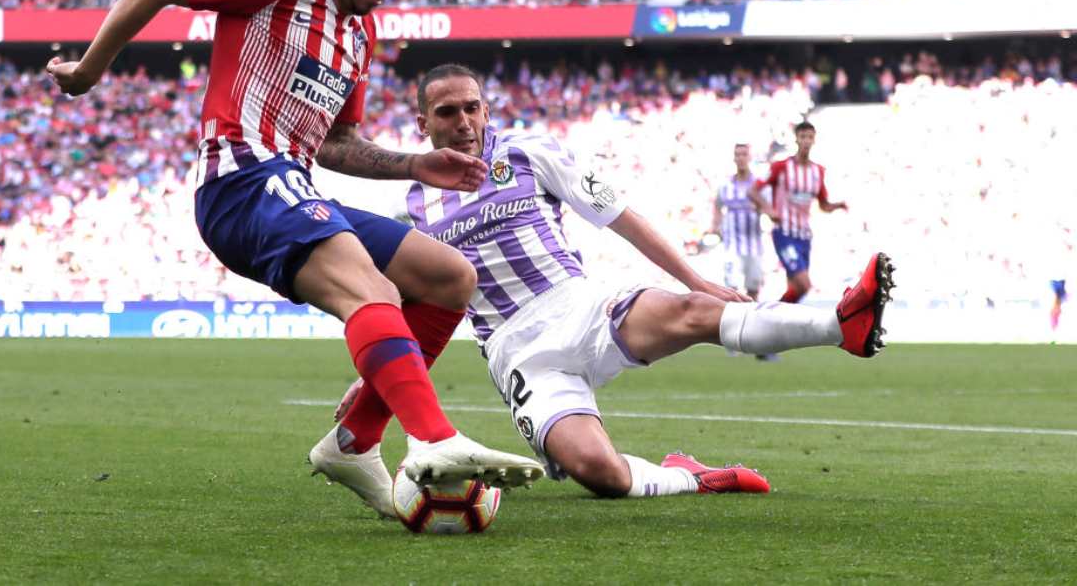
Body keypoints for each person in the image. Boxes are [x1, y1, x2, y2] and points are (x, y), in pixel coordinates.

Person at [46, 0, 544, 520]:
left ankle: (354, 442)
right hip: (240, 181)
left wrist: (416, 165)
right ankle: (434, 438)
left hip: (296, 183)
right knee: (372, 293)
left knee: (449, 277)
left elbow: (335, 143)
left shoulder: (358, 35)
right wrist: (90, 71)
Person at [328, 64, 894, 506]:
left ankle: (839, 322)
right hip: (518, 353)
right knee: (598, 474)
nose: (464, 122)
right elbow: (420, 302)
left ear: (486, 108)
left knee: (694, 310)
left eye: (472, 108)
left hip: (580, 306)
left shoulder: (529, 151)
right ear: (423, 123)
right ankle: (691, 477)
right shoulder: (414, 201)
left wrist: (696, 278)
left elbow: (619, 214)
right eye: (447, 112)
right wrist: (376, 377)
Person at [749, 120, 847, 305]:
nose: (806, 141)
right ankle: (771, 315)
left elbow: (823, 205)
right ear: (796, 139)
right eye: (803, 137)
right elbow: (753, 191)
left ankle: (782, 325)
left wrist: (837, 206)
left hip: (804, 237)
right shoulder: (781, 167)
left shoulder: (818, 171)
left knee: (794, 289)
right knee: (804, 285)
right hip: (784, 234)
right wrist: (769, 209)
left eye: (810, 137)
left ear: (814, 140)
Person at [710, 142, 768, 358]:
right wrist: (715, 225)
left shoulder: (759, 185)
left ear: (749, 157)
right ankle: (732, 338)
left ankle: (753, 335)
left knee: (753, 290)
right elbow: (717, 205)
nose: (741, 157)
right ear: (734, 158)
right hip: (732, 246)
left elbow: (768, 207)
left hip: (754, 246)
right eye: (738, 154)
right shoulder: (726, 186)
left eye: (744, 154)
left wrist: (762, 208)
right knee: (731, 291)